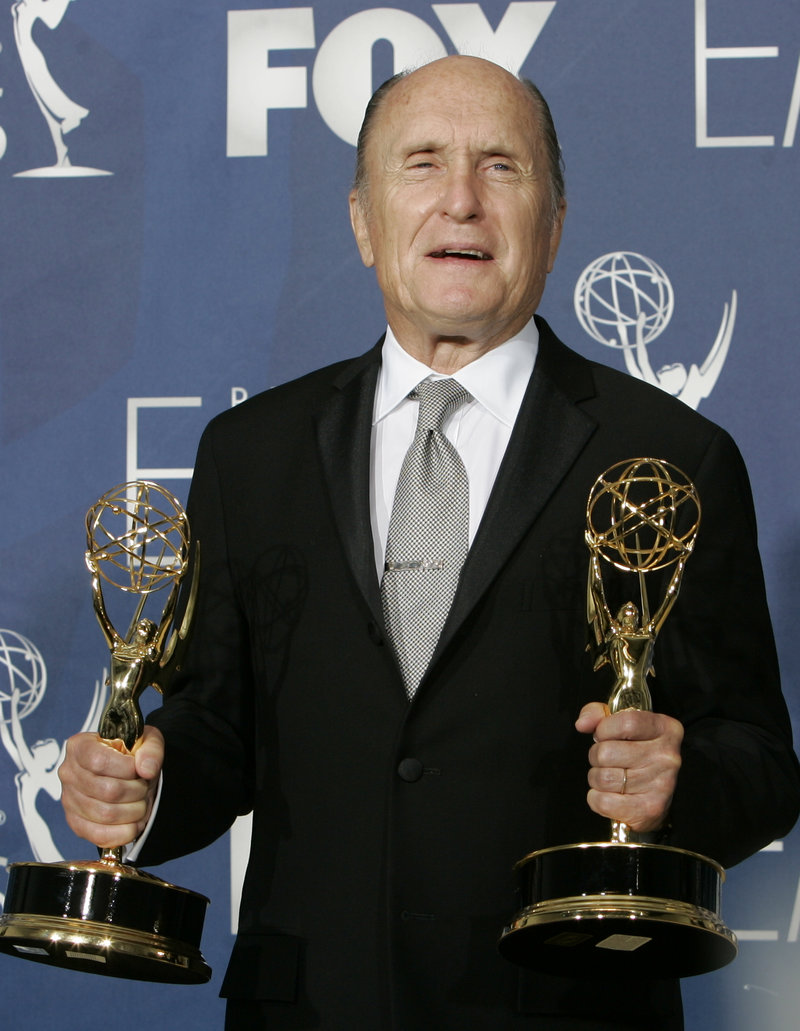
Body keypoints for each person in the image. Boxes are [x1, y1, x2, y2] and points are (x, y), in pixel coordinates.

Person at [58, 57, 800, 1030]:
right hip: (308, 1009)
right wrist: (144, 785)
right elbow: (218, 729)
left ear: (554, 223)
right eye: (421, 164)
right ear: (363, 222)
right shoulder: (250, 454)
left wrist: (678, 785)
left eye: (500, 166)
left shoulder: (668, 458)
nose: (460, 200)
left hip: (564, 1008)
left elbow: (759, 761)